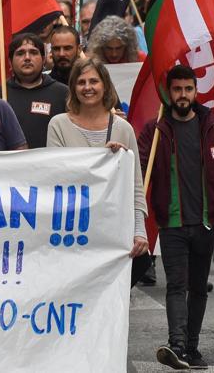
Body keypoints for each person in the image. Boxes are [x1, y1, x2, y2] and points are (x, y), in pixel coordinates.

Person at [136, 65, 214, 370]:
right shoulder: (155, 130)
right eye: (177, 90)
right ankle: (177, 344)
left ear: (195, 91)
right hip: (171, 223)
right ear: (168, 93)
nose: (182, 95)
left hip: (207, 222)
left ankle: (191, 348)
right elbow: (139, 169)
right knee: (175, 286)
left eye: (188, 89)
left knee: (198, 287)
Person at [46, 59, 148, 273]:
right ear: (73, 88)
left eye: (94, 81)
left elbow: (135, 185)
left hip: (112, 232)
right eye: (81, 82)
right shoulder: (58, 125)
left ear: (105, 86)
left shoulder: (124, 129)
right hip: (73, 231)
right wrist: (101, 160)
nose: (88, 87)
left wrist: (140, 230)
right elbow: (56, 176)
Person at [0, 33, 67, 148]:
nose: (27, 58)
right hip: (7, 165)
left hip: (50, 164)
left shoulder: (63, 94)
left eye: (33, 53)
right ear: (10, 61)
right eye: (20, 53)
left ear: (43, 59)